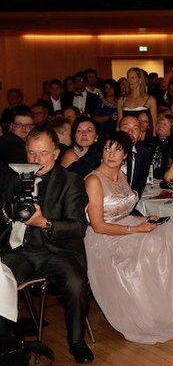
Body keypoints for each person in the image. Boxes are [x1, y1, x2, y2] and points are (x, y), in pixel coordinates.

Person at [83, 131, 173, 344]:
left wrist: (144, 219)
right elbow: (98, 225)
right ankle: (157, 312)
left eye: (117, 149)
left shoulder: (121, 176)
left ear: (125, 155)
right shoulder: (94, 180)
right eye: (107, 148)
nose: (111, 154)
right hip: (105, 238)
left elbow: (122, 212)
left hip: (126, 225)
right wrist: (136, 230)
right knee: (153, 245)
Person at [0, 127, 94, 363]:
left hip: (56, 252)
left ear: (56, 153)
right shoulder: (12, 178)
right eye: (31, 153)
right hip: (19, 251)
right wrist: (5, 214)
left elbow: (78, 227)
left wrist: (44, 222)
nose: (36, 159)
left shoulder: (71, 181)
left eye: (43, 153)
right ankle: (6, 341)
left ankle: (77, 342)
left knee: (75, 283)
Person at [118, 116, 154, 198]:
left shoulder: (144, 154)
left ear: (140, 134)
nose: (130, 132)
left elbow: (139, 187)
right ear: (118, 131)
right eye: (126, 127)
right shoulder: (106, 152)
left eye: (135, 129)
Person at [117, 67, 158, 136]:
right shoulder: (122, 100)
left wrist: (154, 138)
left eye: (132, 78)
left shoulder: (150, 100)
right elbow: (119, 124)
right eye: (128, 78)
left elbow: (154, 125)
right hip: (126, 137)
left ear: (140, 79)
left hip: (144, 138)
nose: (129, 81)